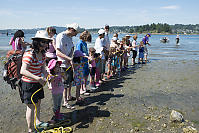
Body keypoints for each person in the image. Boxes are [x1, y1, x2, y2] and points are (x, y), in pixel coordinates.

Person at [20, 30, 51, 133]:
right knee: (30, 107)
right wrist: (37, 78)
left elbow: (42, 67)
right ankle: (30, 130)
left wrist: (46, 74)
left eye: (46, 42)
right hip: (28, 83)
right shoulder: (29, 54)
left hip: (38, 83)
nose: (45, 44)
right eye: (43, 42)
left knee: (38, 103)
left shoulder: (42, 54)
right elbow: (23, 71)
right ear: (37, 42)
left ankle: (37, 122)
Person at [56, 23, 79, 108]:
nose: (76, 34)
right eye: (75, 32)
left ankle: (68, 97)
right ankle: (65, 102)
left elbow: (71, 49)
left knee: (69, 82)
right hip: (62, 64)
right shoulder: (61, 36)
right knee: (65, 84)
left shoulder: (70, 38)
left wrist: (71, 58)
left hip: (69, 63)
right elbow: (58, 52)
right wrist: (69, 59)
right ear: (72, 30)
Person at [76, 30, 92, 95]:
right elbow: (78, 53)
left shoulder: (84, 43)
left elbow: (86, 52)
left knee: (86, 75)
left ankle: (84, 88)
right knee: (82, 76)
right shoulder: (79, 43)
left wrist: (89, 56)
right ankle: (81, 89)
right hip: (81, 62)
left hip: (85, 61)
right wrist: (86, 56)